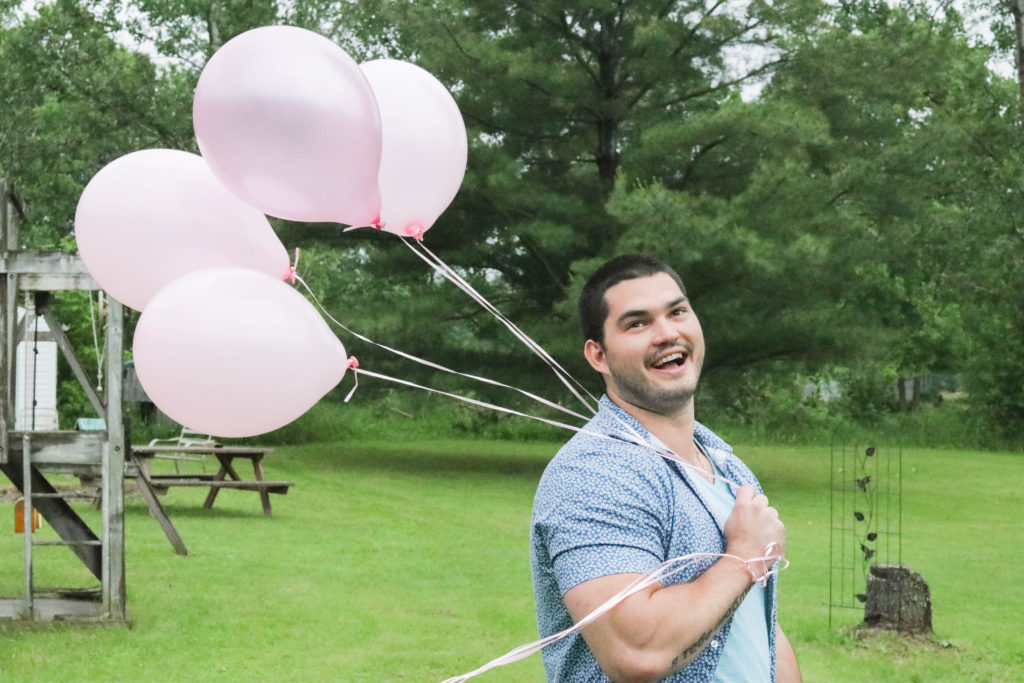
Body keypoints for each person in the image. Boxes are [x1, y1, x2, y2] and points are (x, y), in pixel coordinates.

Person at [530, 254, 801, 682]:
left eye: (677, 312)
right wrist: (745, 557)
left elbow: (755, 629)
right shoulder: (594, 474)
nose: (667, 333)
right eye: (637, 323)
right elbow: (636, 652)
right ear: (598, 355)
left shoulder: (729, 469)